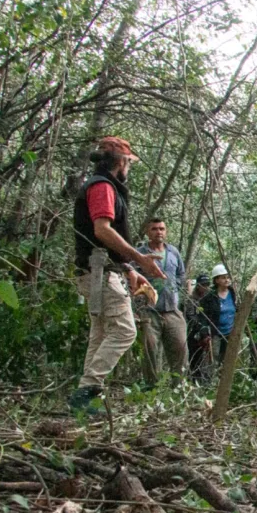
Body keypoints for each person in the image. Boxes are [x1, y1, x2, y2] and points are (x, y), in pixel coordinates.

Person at [69, 136, 165, 414]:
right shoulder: (102, 186)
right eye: (129, 163)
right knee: (124, 331)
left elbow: (103, 240)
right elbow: (102, 231)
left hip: (99, 269)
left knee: (100, 333)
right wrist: (139, 258)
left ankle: (85, 400)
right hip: (98, 271)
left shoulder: (102, 185)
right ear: (121, 162)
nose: (129, 168)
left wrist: (129, 269)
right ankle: (87, 390)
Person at [135, 217, 188, 387]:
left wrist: (175, 287)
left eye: (162, 229)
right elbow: (130, 276)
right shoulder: (140, 253)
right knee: (149, 349)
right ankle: (151, 387)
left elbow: (181, 273)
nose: (159, 232)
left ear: (166, 231)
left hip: (172, 309)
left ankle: (179, 386)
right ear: (147, 232)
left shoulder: (173, 252)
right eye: (154, 229)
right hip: (149, 310)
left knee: (180, 347)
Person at [198, 264, 237, 377]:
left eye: (228, 277)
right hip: (215, 334)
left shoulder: (233, 293)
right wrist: (205, 333)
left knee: (228, 360)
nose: (227, 280)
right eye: (223, 278)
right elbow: (203, 317)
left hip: (231, 333)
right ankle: (212, 380)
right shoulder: (209, 298)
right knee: (214, 360)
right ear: (217, 280)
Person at [185, 274, 211, 383]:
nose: (205, 287)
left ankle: (206, 379)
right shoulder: (191, 299)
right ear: (198, 285)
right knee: (195, 356)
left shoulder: (210, 296)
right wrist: (200, 326)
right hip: (194, 332)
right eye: (203, 285)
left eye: (207, 285)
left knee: (207, 357)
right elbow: (190, 314)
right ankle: (194, 378)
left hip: (208, 331)